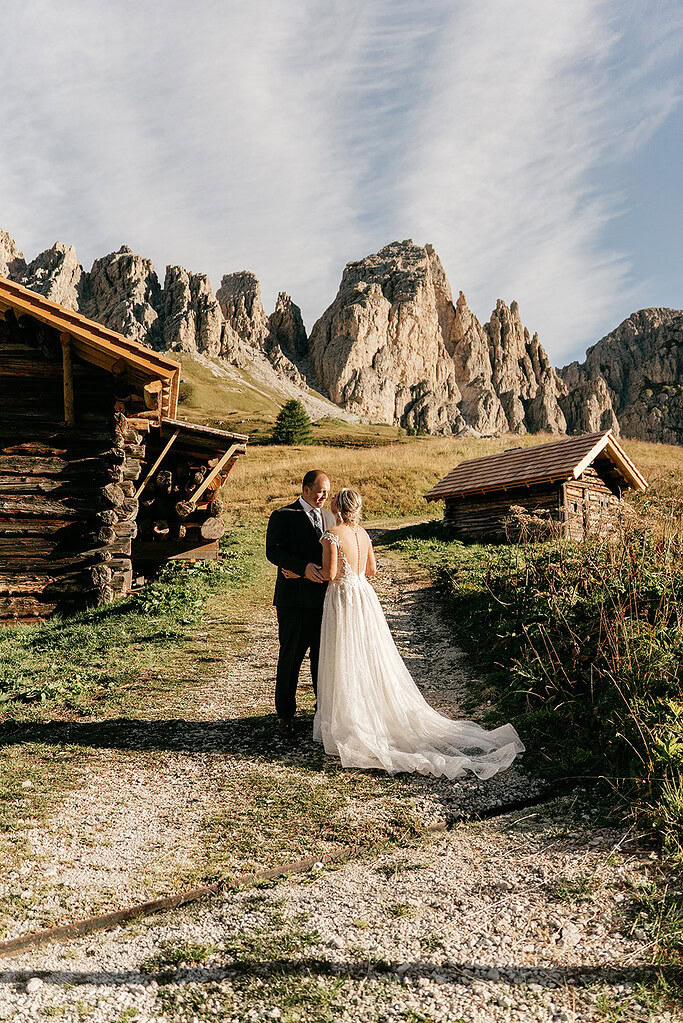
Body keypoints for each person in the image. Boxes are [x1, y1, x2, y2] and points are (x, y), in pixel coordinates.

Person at [313, 488, 525, 779]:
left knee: (345, 653)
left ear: (337, 507)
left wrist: (308, 569)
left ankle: (353, 716)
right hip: (364, 595)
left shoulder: (332, 535)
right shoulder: (363, 534)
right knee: (368, 653)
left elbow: (329, 574)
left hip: (343, 597)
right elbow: (371, 569)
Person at [265, 470, 335, 734]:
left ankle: (322, 711)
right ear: (305, 489)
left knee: (321, 659)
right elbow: (274, 551)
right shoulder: (283, 516)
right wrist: (302, 567)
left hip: (323, 601)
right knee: (290, 657)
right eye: (319, 490)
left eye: (327, 491)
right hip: (293, 602)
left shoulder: (329, 518)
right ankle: (285, 714)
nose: (324, 496)